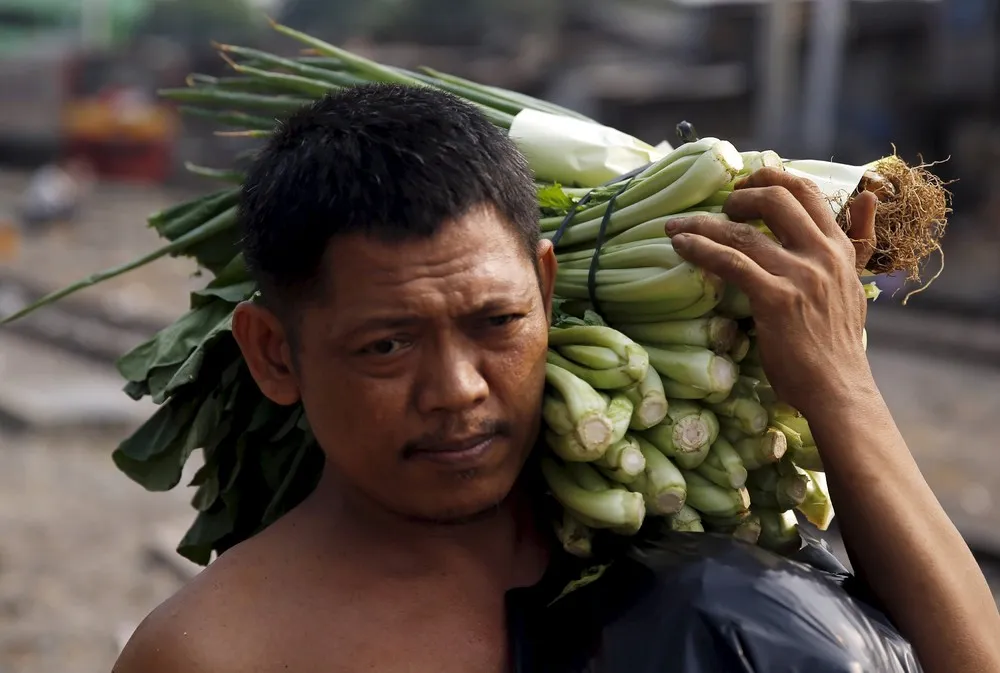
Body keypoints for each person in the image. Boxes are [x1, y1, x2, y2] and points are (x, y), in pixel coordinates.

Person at [112, 84, 1000, 673]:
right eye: (387, 346)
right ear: (274, 352)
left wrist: (839, 386)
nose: (458, 387)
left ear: (544, 289)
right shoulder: (217, 653)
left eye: (496, 323)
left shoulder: (675, 539)